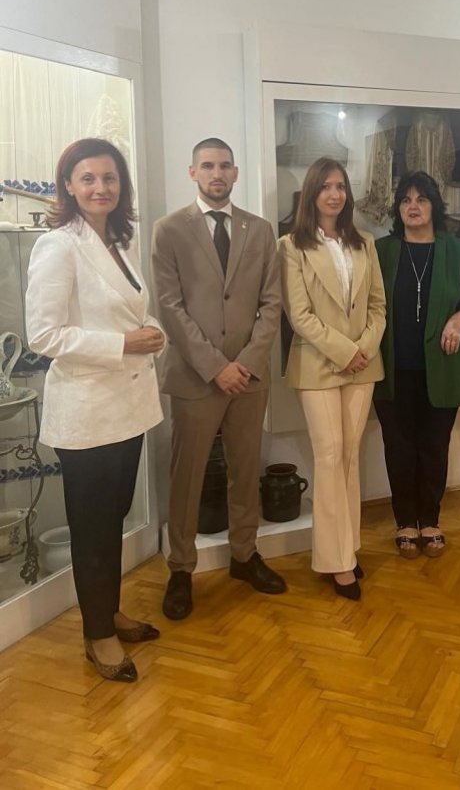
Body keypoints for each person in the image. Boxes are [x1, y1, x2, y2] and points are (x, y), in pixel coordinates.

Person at [26, 137, 165, 683]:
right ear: (69, 185)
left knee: (113, 517)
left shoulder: (118, 242)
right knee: (92, 527)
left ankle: (108, 612)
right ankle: (97, 636)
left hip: (127, 407)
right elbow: (44, 335)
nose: (100, 187)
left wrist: (148, 332)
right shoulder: (59, 245)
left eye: (109, 178)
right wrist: (125, 344)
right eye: (88, 178)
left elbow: (127, 313)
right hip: (87, 414)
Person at [151, 137, 285, 621]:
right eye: (207, 165)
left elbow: (272, 303)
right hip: (195, 377)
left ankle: (244, 556)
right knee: (187, 476)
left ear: (235, 173)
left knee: (245, 469)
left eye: (225, 165)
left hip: (249, 377)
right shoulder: (169, 230)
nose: (217, 173)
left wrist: (245, 362)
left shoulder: (261, 230)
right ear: (193, 173)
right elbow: (170, 308)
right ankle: (181, 569)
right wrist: (216, 367)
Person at [278, 157, 385, 601]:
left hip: (364, 364)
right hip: (318, 364)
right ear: (312, 193)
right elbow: (299, 315)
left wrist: (364, 349)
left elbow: (378, 306)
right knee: (328, 456)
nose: (334, 194)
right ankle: (335, 561)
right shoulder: (291, 246)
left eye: (340, 186)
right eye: (325, 186)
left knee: (350, 456)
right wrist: (345, 351)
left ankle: (347, 547)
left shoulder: (365, 243)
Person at [374, 172, 460, 558]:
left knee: (435, 446)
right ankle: (405, 521)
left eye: (421, 199)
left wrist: (459, 319)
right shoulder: (381, 251)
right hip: (392, 370)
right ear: (397, 208)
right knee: (398, 447)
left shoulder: (458, 251)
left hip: (442, 368)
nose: (413, 206)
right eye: (405, 200)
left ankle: (431, 520)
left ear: (434, 206)